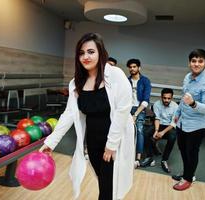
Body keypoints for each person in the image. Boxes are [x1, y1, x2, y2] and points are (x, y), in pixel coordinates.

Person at [39, 33, 135, 200]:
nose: (86, 56)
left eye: (91, 52)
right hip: (93, 141)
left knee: (108, 188)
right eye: (81, 53)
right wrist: (51, 142)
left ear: (100, 53)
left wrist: (111, 144)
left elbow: (123, 110)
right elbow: (68, 114)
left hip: (115, 141)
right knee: (103, 182)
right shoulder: (76, 83)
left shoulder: (115, 75)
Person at [172, 49, 205, 191]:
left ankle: (188, 179)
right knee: (183, 149)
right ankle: (188, 174)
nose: (196, 64)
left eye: (200, 61)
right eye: (193, 61)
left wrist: (193, 103)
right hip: (183, 121)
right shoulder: (187, 77)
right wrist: (177, 112)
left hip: (197, 125)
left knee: (191, 152)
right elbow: (182, 98)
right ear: (189, 62)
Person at [143, 88, 178, 172]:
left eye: (168, 98)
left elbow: (173, 123)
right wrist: (156, 130)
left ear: (172, 98)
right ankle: (149, 157)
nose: (166, 100)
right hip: (159, 124)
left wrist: (162, 132)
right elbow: (157, 118)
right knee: (146, 133)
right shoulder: (157, 104)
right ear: (161, 97)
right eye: (164, 98)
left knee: (173, 137)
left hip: (169, 126)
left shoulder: (176, 107)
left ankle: (164, 160)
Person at [126, 58, 151, 167]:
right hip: (127, 108)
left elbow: (145, 101)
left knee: (139, 130)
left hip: (139, 108)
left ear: (139, 68)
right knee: (125, 130)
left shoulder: (145, 81)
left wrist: (135, 114)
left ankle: (138, 158)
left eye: (134, 67)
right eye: (130, 67)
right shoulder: (126, 80)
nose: (132, 69)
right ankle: (125, 155)